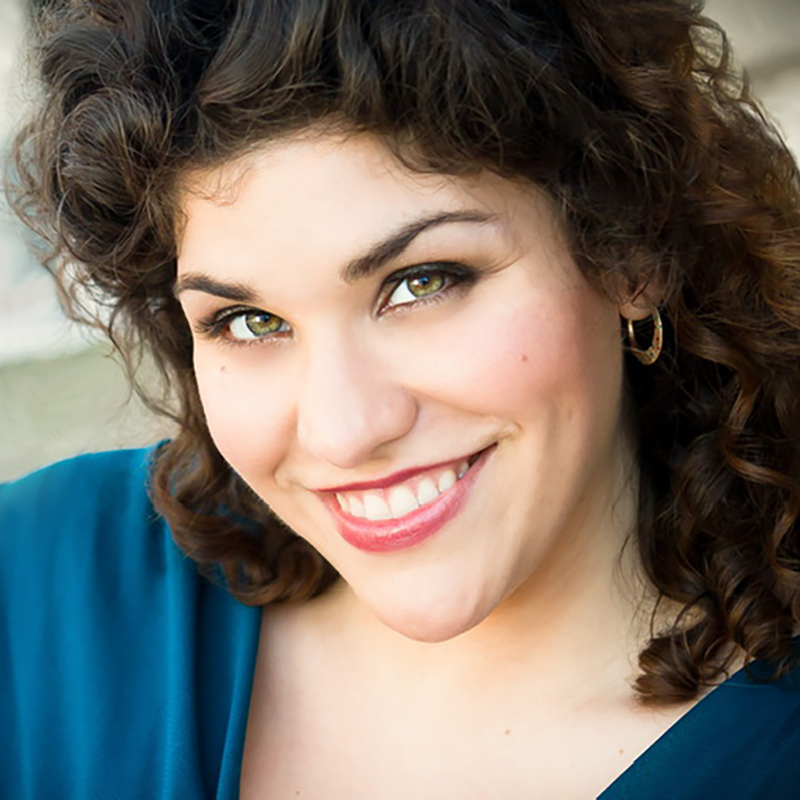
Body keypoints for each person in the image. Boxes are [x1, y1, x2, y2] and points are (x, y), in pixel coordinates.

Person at [2, 0, 800, 797]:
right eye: (248, 321)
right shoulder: (40, 592)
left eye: (421, 282)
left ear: (630, 253)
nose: (344, 430)